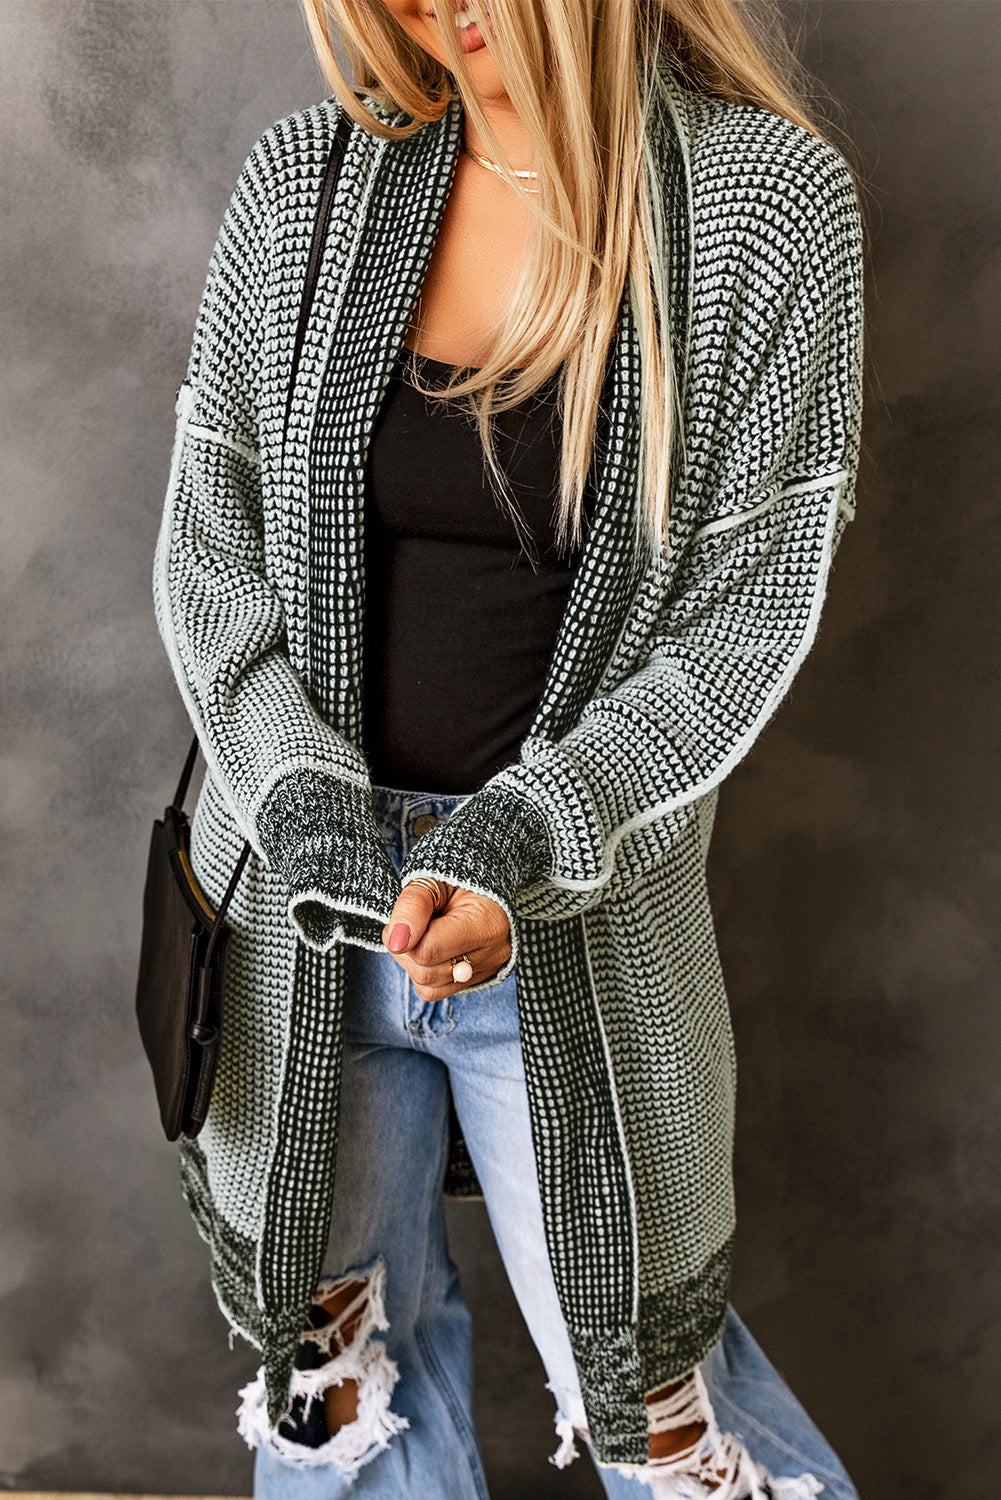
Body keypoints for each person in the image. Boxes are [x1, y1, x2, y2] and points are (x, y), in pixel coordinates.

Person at [152, 0, 866, 1496]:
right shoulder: (307, 182)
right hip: (300, 918)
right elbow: (211, 554)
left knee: (667, 1422)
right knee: (337, 1390)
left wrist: (520, 845)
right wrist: (302, 802)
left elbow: (738, 620)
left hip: (575, 930)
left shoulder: (760, 209)